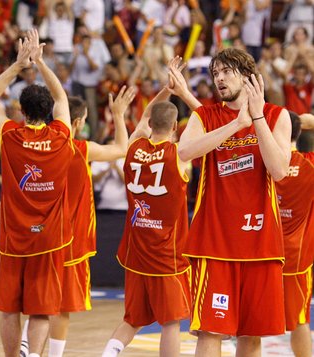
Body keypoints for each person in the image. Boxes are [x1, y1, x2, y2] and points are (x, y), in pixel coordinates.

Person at [0, 88, 136, 357]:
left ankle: (26, 347)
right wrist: (119, 116)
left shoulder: (31, 144)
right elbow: (122, 148)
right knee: (56, 307)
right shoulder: (78, 148)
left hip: (35, 237)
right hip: (65, 240)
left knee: (23, 304)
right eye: (84, 119)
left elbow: (14, 194)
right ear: (76, 122)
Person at [178, 48, 291, 356]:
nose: (219, 79)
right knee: (210, 333)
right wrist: (236, 125)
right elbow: (185, 152)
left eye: (226, 72)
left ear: (246, 76)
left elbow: (279, 170)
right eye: (215, 74)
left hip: (261, 243)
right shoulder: (205, 116)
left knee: (252, 336)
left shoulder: (277, 115)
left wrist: (255, 118)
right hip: (214, 243)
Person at [0, 29, 74, 357]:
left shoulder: (11, 135)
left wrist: (20, 64)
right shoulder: (62, 135)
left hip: (15, 237)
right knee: (41, 310)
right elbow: (61, 98)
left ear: (20, 109)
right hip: (49, 239)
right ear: (48, 112)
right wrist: (42, 64)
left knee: (9, 309)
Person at [101, 57, 202, 357]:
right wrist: (180, 91)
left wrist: (166, 91)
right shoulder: (180, 154)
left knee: (131, 320)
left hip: (136, 250)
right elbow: (207, 120)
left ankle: (108, 354)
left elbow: (146, 116)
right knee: (171, 323)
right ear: (174, 126)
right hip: (165, 253)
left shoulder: (134, 146)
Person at [275, 111, 313, 357]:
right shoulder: (308, 164)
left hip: (262, 254)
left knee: (252, 322)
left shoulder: (261, 162)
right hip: (297, 259)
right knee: (299, 321)